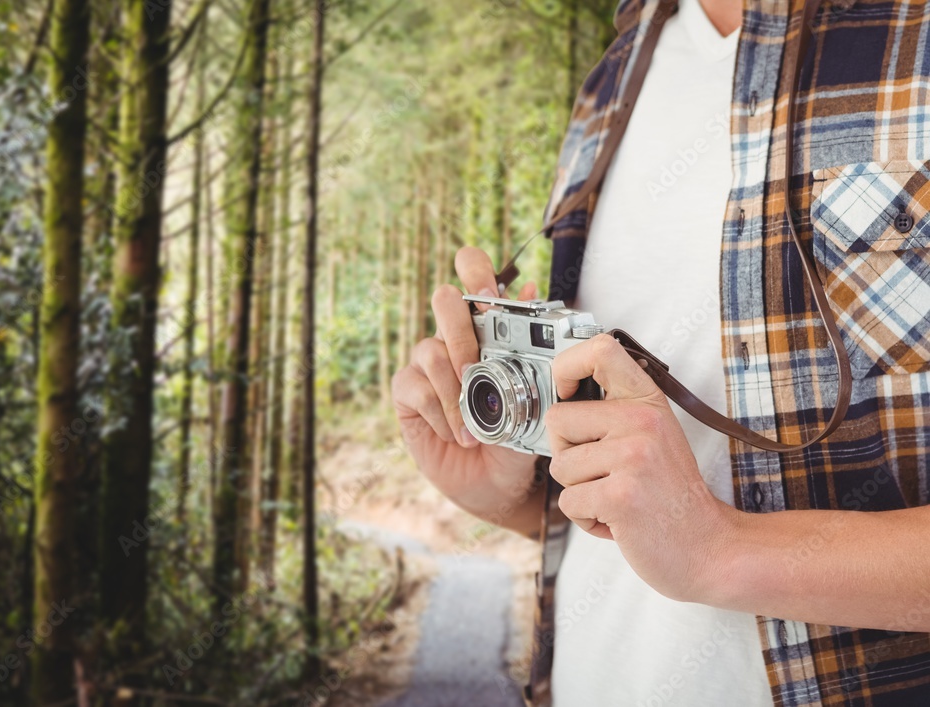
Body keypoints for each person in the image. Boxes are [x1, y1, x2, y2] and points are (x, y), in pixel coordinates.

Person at [392, 0, 930, 705]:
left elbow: (694, 541)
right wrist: (515, 496)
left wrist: (727, 552)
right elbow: (632, 513)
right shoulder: (609, 83)